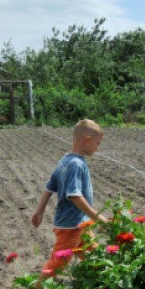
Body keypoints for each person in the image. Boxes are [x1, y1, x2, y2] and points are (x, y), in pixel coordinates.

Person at [32, 118, 109, 278]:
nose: (98, 148)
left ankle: (100, 285)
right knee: (57, 264)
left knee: (95, 255)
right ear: (87, 140)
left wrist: (39, 211)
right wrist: (97, 217)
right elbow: (74, 195)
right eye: (98, 143)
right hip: (71, 225)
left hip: (80, 224)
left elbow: (48, 188)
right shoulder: (76, 164)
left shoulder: (65, 161)